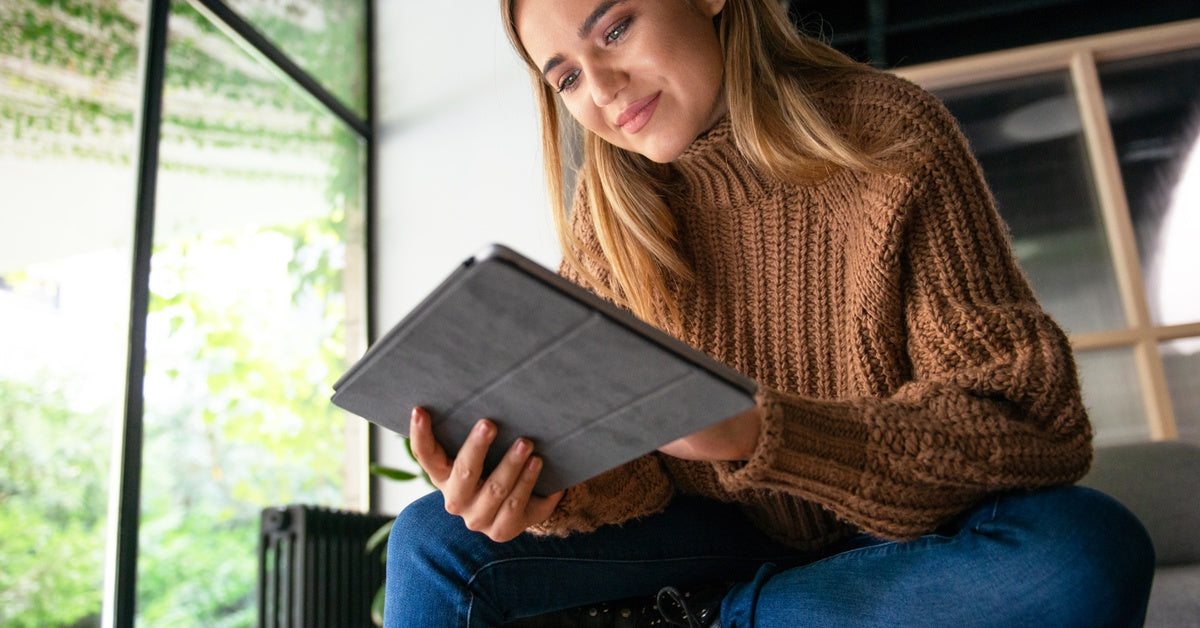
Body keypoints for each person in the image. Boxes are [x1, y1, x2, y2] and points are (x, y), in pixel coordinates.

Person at [384, 0, 1156, 626]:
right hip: (714, 539)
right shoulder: (611, 209)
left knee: (1087, 553)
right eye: (567, 80)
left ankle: (734, 617)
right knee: (429, 537)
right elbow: (641, 477)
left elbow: (1032, 428)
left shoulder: (887, 136)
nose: (605, 89)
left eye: (615, 28)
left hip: (899, 528)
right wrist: (545, 491)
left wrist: (762, 431)